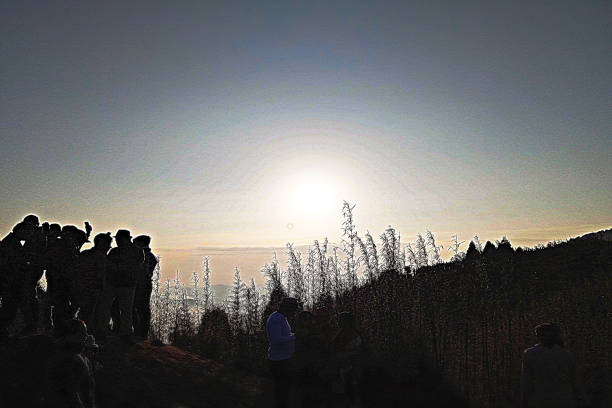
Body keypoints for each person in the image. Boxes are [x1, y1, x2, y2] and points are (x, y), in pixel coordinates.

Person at [96, 229, 144, 343]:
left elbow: (110, 266)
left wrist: (113, 267)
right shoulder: (137, 252)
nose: (116, 241)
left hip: (117, 284)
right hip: (126, 284)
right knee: (125, 310)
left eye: (117, 239)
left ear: (122, 239)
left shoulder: (116, 252)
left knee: (109, 308)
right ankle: (125, 333)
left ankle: (106, 331)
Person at [521, 323, 583, 408]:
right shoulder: (566, 355)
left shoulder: (530, 354)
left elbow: (527, 380)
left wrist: (525, 399)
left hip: (540, 398)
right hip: (564, 399)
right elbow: (575, 380)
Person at [44, 319, 96, 408]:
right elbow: (71, 392)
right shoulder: (70, 358)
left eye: (85, 333)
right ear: (70, 335)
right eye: (82, 334)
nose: (86, 336)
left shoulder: (77, 355)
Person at [0, 222, 37, 339]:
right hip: (10, 284)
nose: (30, 235)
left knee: (10, 310)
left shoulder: (11, 243)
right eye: (29, 231)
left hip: (11, 284)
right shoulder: (11, 245)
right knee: (9, 310)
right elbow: (12, 266)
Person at [74, 233, 112, 334]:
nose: (109, 248)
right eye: (108, 245)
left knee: (84, 313)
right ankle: (90, 335)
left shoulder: (84, 254)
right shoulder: (100, 257)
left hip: (80, 288)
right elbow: (101, 276)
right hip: (93, 290)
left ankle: (82, 332)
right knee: (93, 314)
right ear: (102, 244)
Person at [266, 297, 299, 408]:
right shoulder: (276, 319)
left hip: (284, 359)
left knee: (284, 391)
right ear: (287, 308)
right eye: (293, 309)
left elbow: (285, 336)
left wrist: (293, 336)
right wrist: (295, 337)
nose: (294, 312)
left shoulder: (281, 318)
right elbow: (276, 339)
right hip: (279, 361)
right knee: (282, 391)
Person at [326, 311, 364, 405]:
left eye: (341, 320)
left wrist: (343, 354)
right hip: (342, 362)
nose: (339, 322)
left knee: (351, 384)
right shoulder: (341, 332)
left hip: (350, 362)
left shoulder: (352, 333)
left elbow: (356, 349)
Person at [132, 235, 157, 340]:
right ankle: (140, 332)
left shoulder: (146, 256)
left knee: (141, 308)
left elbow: (143, 272)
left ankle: (140, 332)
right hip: (143, 284)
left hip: (142, 284)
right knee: (141, 308)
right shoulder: (150, 256)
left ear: (141, 243)